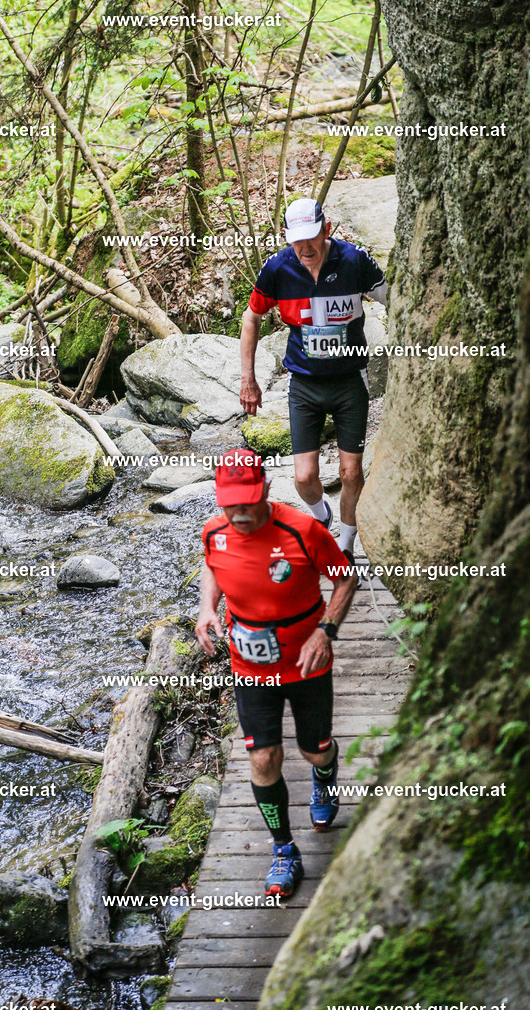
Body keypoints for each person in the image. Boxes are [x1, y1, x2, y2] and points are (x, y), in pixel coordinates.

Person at [195, 449, 357, 897]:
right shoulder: (214, 532)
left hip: (307, 664)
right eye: (230, 503)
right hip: (250, 666)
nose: (240, 513)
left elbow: (345, 579)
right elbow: (213, 565)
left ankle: (325, 781)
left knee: (314, 751)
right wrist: (207, 608)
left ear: (265, 488)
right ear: (218, 498)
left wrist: (326, 632)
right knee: (264, 759)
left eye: (247, 501)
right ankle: (284, 850)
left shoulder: (302, 530)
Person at [240, 196, 387, 567]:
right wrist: (249, 380)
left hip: (350, 380)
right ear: (287, 237)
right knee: (304, 476)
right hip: (304, 383)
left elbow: (398, 301)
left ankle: (347, 544)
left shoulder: (354, 260)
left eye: (311, 237)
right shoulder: (277, 268)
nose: (305, 247)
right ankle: (321, 515)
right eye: (296, 239)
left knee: (351, 471)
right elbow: (251, 319)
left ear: (327, 229)